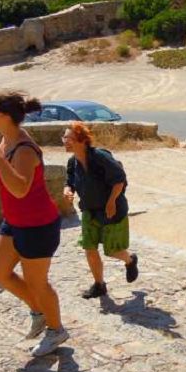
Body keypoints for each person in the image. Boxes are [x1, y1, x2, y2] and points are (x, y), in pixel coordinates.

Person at [0, 91, 68, 357]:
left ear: (5, 115)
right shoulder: (6, 140)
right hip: (15, 220)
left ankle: (56, 330)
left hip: (37, 225)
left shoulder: (24, 149)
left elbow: (20, 188)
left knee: (38, 283)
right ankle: (39, 311)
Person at [62, 122, 138, 299]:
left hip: (111, 210)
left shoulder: (100, 157)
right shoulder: (73, 162)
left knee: (112, 250)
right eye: (64, 137)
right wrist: (68, 190)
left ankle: (130, 260)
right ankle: (99, 285)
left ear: (82, 141)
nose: (65, 141)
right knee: (89, 247)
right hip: (89, 210)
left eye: (69, 138)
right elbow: (70, 181)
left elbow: (119, 179)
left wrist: (111, 202)